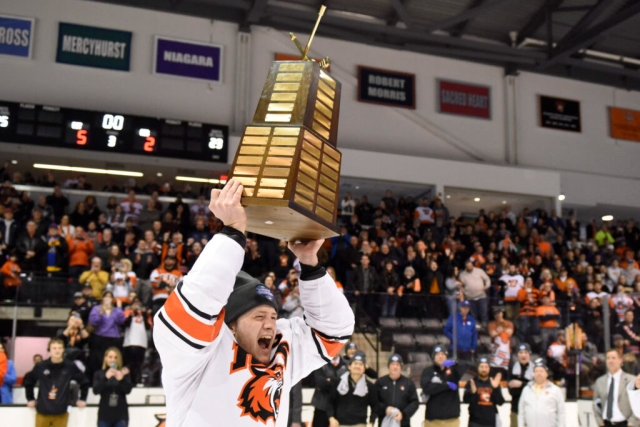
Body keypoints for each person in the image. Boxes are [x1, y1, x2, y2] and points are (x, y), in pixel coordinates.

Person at [153, 180, 354, 426]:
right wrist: (233, 232)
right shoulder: (197, 356)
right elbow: (193, 305)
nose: (270, 325)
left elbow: (335, 330)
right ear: (232, 325)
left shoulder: (282, 350)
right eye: (258, 317)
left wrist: (310, 264)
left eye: (272, 316)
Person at [24, 338, 90, 427]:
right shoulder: (41, 366)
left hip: (61, 412)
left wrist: (82, 399)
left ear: (63, 349)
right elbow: (29, 382)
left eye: (59, 348)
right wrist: (30, 398)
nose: (57, 351)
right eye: (54, 348)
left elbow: (84, 382)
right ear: (49, 350)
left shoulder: (69, 366)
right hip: (43, 411)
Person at [326, 350, 378, 427]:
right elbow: (330, 402)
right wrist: (331, 418)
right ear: (349, 366)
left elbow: (375, 406)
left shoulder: (369, 386)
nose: (357, 366)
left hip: (360, 424)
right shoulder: (338, 382)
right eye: (355, 363)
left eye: (361, 364)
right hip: (340, 424)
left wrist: (371, 422)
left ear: (364, 368)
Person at [593, 349, 638, 427]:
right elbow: (595, 403)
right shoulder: (600, 381)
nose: (610, 361)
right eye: (608, 358)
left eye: (613, 358)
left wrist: (632, 423)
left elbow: (638, 404)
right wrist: (599, 422)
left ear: (621, 360)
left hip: (625, 423)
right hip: (606, 423)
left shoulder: (631, 380)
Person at [421, 346, 463, 427]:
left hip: (452, 420)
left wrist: (455, 363)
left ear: (447, 357)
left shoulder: (453, 371)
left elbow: (466, 366)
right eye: (437, 354)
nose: (440, 356)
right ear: (433, 357)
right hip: (433, 420)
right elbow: (427, 388)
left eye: (443, 354)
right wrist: (446, 385)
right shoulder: (428, 371)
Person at [88, 291, 125, 379]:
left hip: (114, 338)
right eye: (106, 296)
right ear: (103, 298)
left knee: (114, 359)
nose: (108, 298)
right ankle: (98, 378)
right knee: (98, 360)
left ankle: (114, 377)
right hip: (100, 337)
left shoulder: (115, 310)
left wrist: (119, 307)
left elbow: (121, 320)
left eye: (110, 297)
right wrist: (102, 311)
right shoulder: (96, 309)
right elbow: (94, 322)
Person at [93, 347, 133, 427]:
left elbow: (128, 390)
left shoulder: (123, 373)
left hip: (121, 415)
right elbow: (96, 390)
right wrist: (105, 378)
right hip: (104, 414)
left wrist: (121, 379)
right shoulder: (99, 374)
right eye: (110, 357)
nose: (113, 360)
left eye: (115, 357)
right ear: (105, 358)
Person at [375, 354, 419, 427]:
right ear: (388, 366)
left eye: (397, 364)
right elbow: (374, 402)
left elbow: (414, 402)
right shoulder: (380, 382)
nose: (395, 367)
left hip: (403, 423)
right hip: (384, 422)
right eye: (392, 364)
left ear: (401, 367)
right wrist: (385, 409)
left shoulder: (408, 383)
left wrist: (403, 414)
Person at [517, 361, 565, 427]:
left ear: (546, 374)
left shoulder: (555, 390)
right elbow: (521, 413)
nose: (538, 373)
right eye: (536, 371)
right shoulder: (526, 390)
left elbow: (561, 413)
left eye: (541, 371)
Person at [464, 358, 504, 427]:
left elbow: (500, 402)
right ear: (477, 368)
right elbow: (465, 400)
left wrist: (495, 388)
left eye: (486, 367)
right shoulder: (472, 382)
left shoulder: (494, 382)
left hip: (490, 423)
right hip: (475, 423)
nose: (484, 369)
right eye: (481, 367)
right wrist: (472, 393)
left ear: (489, 368)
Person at [312, 355, 348, 427]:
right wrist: (338, 382)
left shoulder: (347, 364)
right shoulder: (320, 363)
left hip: (340, 407)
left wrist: (330, 380)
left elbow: (347, 383)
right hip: (321, 406)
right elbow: (320, 383)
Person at [123, 297, 151, 386]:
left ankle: (138, 381)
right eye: (135, 303)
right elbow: (125, 324)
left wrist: (144, 314)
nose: (137, 304)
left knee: (139, 363)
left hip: (141, 342)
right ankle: (129, 381)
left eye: (139, 303)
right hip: (129, 342)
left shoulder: (144, 314)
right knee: (130, 363)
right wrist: (132, 313)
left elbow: (148, 327)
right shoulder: (127, 311)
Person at [458, 260, 491, 327]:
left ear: (472, 265)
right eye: (468, 266)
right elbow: (460, 286)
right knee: (473, 314)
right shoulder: (462, 275)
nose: (469, 267)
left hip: (481, 296)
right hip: (469, 297)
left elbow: (487, 279)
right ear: (465, 267)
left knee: (483, 312)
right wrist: (462, 294)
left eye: (470, 265)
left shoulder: (479, 271)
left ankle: (485, 327)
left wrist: (487, 285)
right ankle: (475, 327)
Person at [508, 344, 534, 427]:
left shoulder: (536, 370)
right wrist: (527, 384)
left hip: (532, 409)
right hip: (516, 408)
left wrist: (521, 384)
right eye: (521, 352)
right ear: (517, 355)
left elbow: (536, 388)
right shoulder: (512, 369)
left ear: (529, 354)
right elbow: (512, 391)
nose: (523, 355)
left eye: (526, 352)